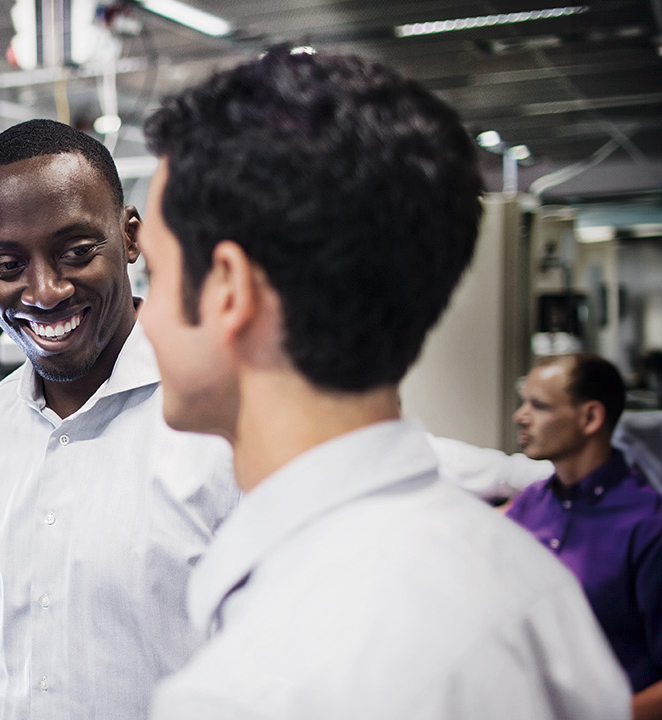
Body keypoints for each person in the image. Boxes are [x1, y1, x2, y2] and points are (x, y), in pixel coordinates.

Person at [138, 48, 630, 718]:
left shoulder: (254, 689)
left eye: (154, 275)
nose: (146, 317)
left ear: (228, 290)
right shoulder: (534, 585)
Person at [0, 118, 240, 720]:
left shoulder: (229, 421)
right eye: (7, 265)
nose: (44, 292)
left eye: (76, 252)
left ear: (129, 237)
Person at [508, 353, 662, 720]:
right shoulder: (529, 506)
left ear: (591, 417)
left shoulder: (657, 528)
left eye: (538, 405)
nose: (520, 416)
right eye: (523, 401)